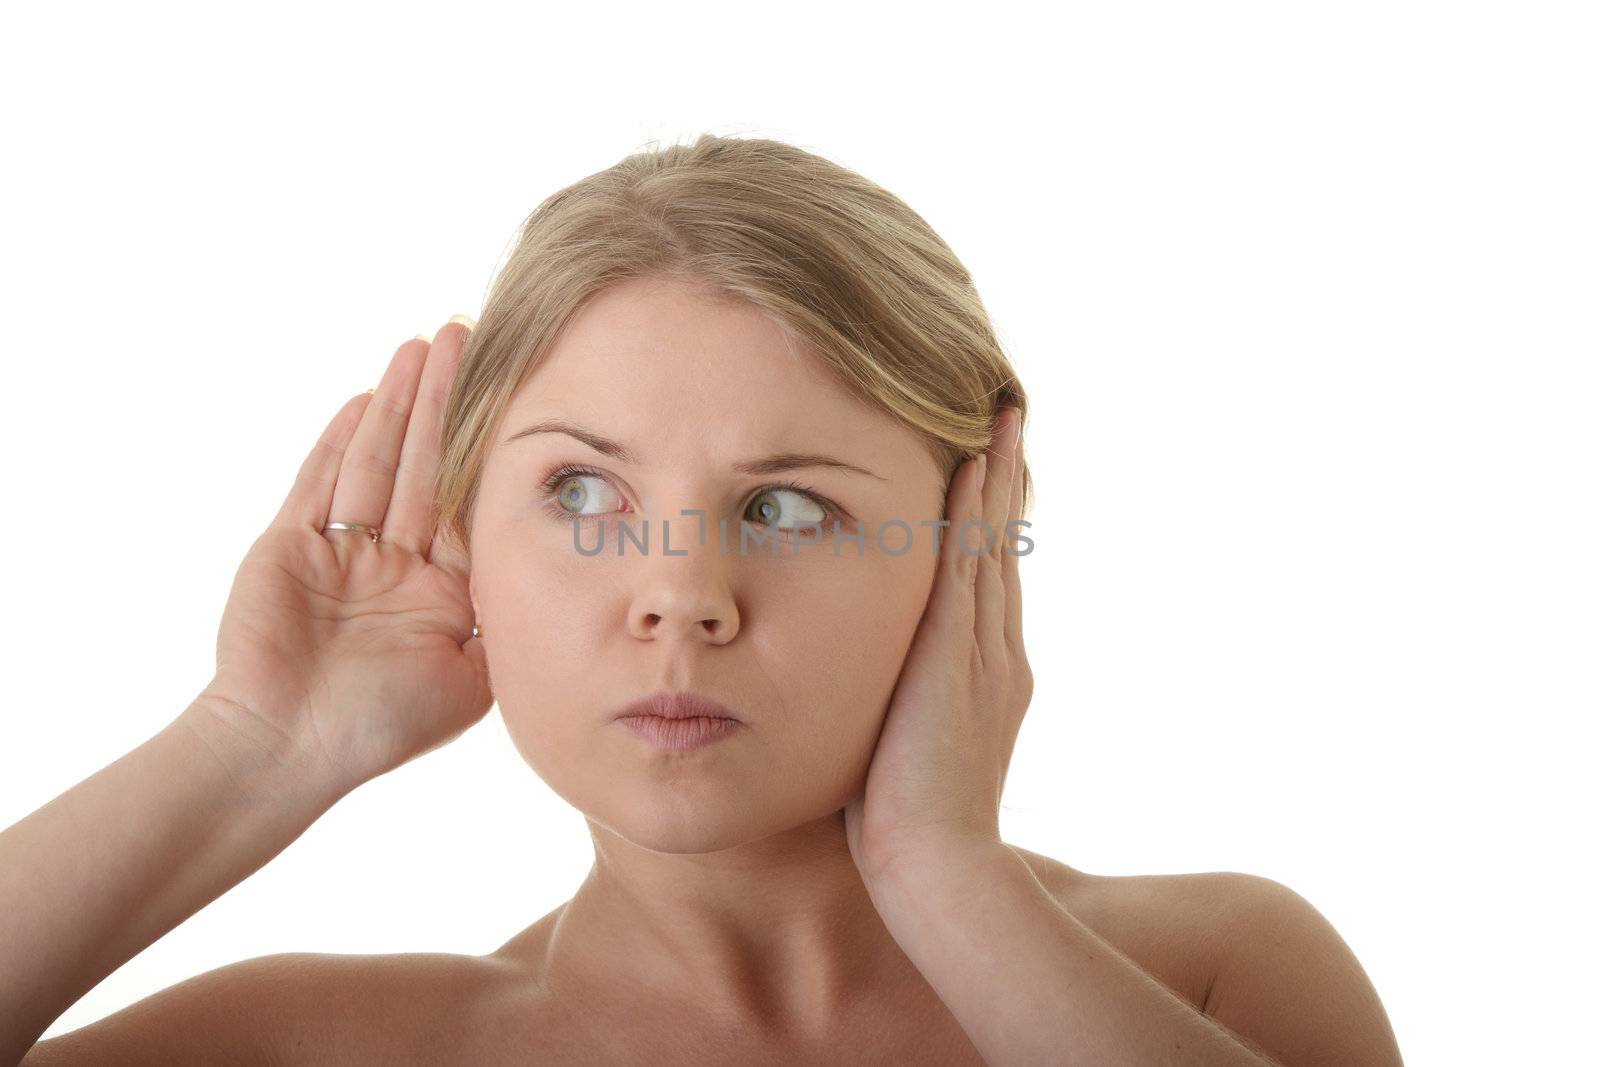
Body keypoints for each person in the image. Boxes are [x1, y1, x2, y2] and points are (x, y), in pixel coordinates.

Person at [2, 135, 1402, 1065]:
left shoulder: (1221, 976)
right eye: (583, 496)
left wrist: (946, 872)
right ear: (463, 532)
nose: (682, 597)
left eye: (787, 507)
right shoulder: (327, 1049)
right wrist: (254, 743)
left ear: (972, 542)